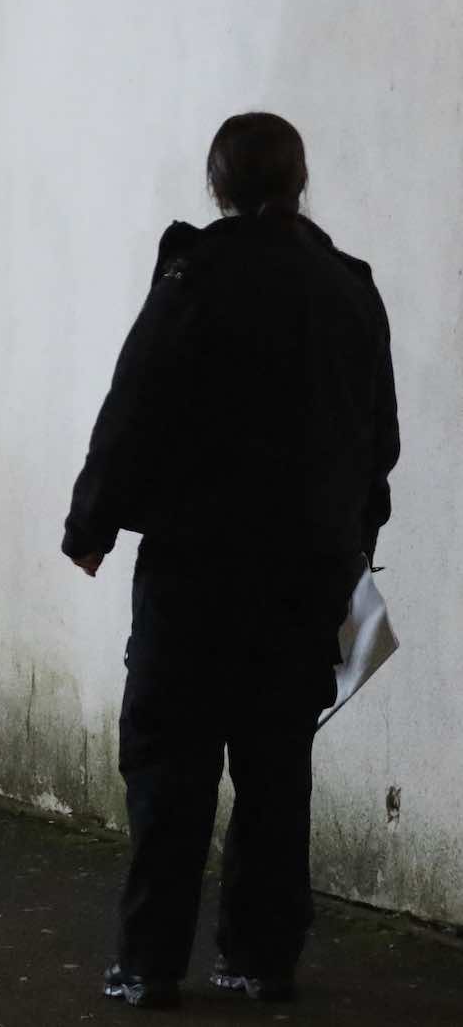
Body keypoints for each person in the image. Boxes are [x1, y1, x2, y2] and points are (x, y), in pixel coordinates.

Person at [63, 112, 398, 1010]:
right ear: (299, 183)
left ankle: (149, 962)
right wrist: (356, 533)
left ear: (218, 186)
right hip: (305, 575)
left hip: (197, 574)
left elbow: (133, 405)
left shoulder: (193, 275)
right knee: (277, 770)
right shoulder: (349, 288)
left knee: (170, 771)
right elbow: (379, 438)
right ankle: (261, 957)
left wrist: (89, 526)